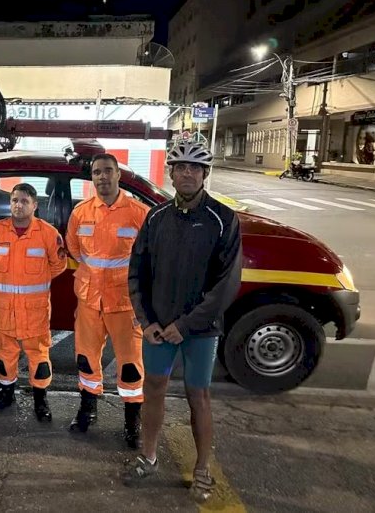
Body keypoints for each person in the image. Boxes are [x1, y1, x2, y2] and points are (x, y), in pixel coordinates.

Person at [127, 140, 242, 502]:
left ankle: (203, 467)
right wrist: (146, 320)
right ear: (172, 174)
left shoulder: (223, 219)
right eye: (180, 167)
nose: (187, 173)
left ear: (205, 174)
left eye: (195, 167)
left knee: (199, 396)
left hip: (200, 331)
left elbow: (227, 284)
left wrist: (187, 324)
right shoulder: (156, 217)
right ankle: (149, 455)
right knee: (154, 390)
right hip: (158, 329)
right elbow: (137, 273)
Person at [65, 153, 149, 448]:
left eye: (108, 171)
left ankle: (132, 421)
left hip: (125, 304)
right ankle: (88, 410)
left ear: (119, 175)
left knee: (130, 366)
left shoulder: (139, 213)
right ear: (92, 177)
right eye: (97, 172)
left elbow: (148, 259)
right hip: (89, 301)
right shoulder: (81, 213)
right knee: (86, 359)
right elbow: (75, 250)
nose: (102, 177)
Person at [0, 183, 67, 420]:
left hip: (34, 310)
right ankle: (5, 394)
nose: (18, 205)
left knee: (38, 357)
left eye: (24, 201)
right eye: (15, 200)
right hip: (4, 308)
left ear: (34, 205)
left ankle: (40, 400)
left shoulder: (49, 234)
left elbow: (58, 265)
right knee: (4, 354)